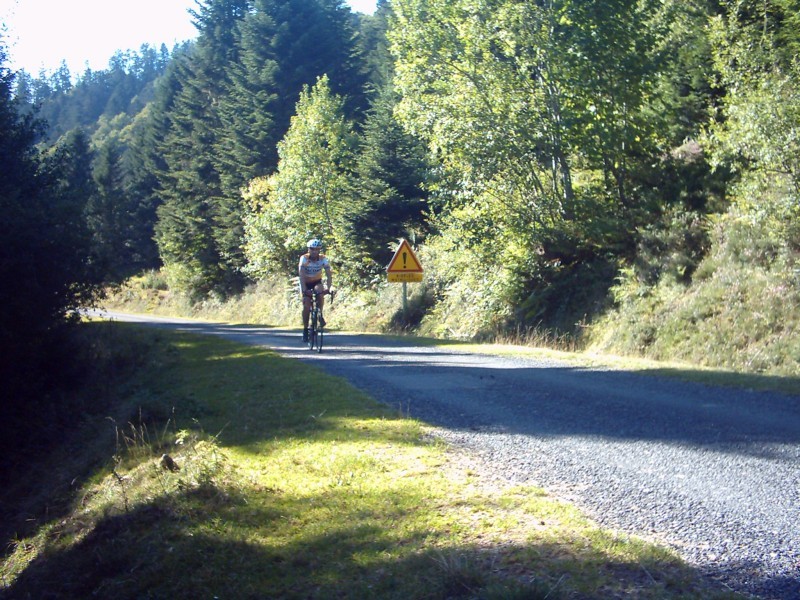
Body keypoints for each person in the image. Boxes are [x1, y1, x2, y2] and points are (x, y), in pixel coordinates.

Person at [298, 238, 333, 342]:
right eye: (312, 249)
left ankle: (320, 314)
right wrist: (304, 290)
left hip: (317, 281)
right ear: (309, 249)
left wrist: (330, 287)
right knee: (306, 305)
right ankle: (305, 329)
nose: (315, 251)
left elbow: (328, 274)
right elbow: (301, 275)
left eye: (317, 249)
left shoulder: (323, 259)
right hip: (306, 282)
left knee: (320, 293)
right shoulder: (304, 258)